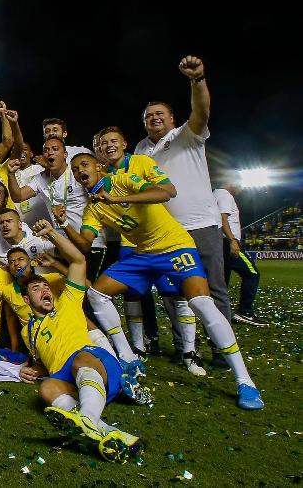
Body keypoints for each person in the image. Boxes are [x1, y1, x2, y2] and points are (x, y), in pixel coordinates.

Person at [70, 152, 263, 409]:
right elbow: (84, 243)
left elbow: (165, 193)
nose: (79, 170)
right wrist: (61, 224)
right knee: (97, 294)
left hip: (175, 246)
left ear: (98, 166)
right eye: (75, 169)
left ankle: (245, 381)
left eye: (84, 164)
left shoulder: (124, 181)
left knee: (202, 304)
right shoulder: (93, 208)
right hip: (143, 254)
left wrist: (118, 198)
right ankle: (127, 356)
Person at [16, 219, 142, 463]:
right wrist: (29, 370)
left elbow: (78, 261)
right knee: (46, 389)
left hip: (94, 363)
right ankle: (108, 433)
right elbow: (43, 362)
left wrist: (51, 233)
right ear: (26, 299)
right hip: (66, 375)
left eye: (45, 287)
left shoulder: (68, 302)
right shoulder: (28, 330)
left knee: (79, 361)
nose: (44, 290)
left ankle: (85, 419)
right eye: (36, 289)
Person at [93, 126, 204, 373]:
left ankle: (188, 351)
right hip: (130, 242)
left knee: (175, 294)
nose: (108, 146)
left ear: (124, 143)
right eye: (103, 143)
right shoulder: (101, 174)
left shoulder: (141, 162)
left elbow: (167, 191)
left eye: (113, 141)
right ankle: (137, 347)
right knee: (132, 295)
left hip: (163, 241)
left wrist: (124, 198)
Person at [133, 56, 234, 325]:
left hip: (200, 224)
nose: (154, 118)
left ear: (172, 118)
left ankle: (221, 351)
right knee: (172, 292)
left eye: (159, 114)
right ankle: (186, 350)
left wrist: (197, 80)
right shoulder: (140, 149)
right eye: (148, 116)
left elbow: (202, 111)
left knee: (213, 290)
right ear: (143, 122)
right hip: (165, 230)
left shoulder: (186, 135)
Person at [8, 136, 106, 278]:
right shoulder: (41, 178)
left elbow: (102, 186)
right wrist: (11, 174)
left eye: (55, 149)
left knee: (91, 292)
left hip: (90, 242)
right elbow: (18, 196)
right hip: (63, 244)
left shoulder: (77, 173)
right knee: (71, 288)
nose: (50, 153)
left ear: (65, 154)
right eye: (46, 150)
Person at [214, 185, 265, 326]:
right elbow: (223, 218)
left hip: (219, 242)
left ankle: (218, 314)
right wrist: (232, 240)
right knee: (252, 274)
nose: (241, 188)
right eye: (239, 184)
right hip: (227, 242)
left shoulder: (216, 194)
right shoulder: (225, 195)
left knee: (222, 281)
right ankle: (245, 312)